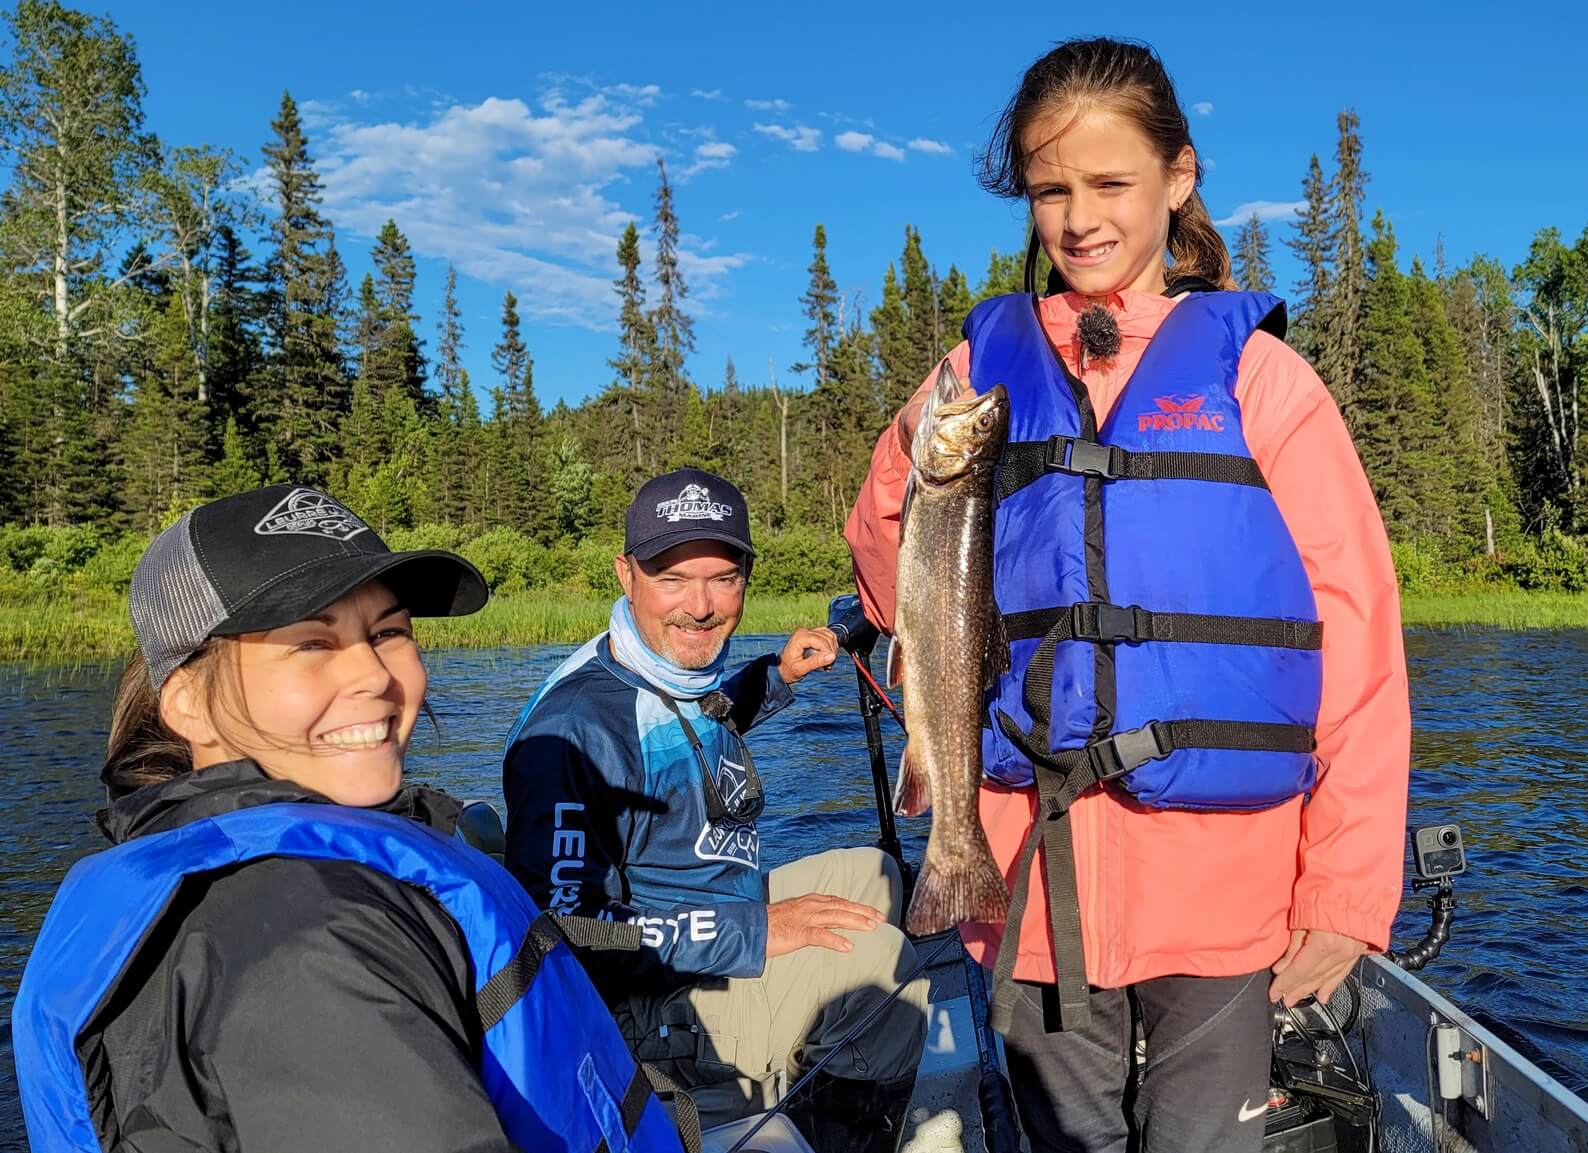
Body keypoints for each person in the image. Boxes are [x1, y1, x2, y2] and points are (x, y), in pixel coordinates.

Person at [844, 37, 1413, 1153]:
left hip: (1223, 883)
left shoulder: (1261, 381)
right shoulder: (978, 372)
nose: (1078, 219)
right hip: (1022, 877)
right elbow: (883, 582)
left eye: (1109, 184)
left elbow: (1355, 642)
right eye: (1051, 190)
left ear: (1177, 178)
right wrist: (906, 449)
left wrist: (1343, 893)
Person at [11, 484, 684, 1153]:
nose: (374, 674)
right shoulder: (299, 939)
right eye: (311, 642)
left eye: (387, 631)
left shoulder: (253, 878)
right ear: (186, 703)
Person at [501, 466, 929, 1146]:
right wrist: (754, 932)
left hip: (709, 923)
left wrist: (775, 676)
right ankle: (814, 1133)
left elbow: (695, 724)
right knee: (880, 962)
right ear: (626, 573)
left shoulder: (657, 670)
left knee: (874, 874)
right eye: (672, 577)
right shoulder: (572, 732)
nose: (699, 606)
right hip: (651, 1006)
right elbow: (563, 934)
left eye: (723, 577)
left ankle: (811, 1065)